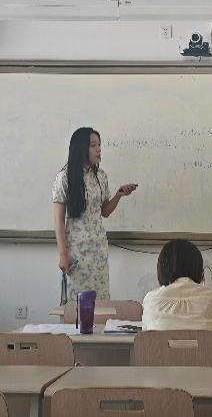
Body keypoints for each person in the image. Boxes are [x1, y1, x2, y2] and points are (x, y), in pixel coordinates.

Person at [53, 127, 137, 302]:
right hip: (76, 250)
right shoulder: (65, 177)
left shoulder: (101, 176)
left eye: (99, 144)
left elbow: (104, 212)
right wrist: (63, 255)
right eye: (93, 145)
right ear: (81, 148)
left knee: (101, 300)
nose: (99, 149)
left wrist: (119, 195)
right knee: (77, 302)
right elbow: (58, 220)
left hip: (98, 249)